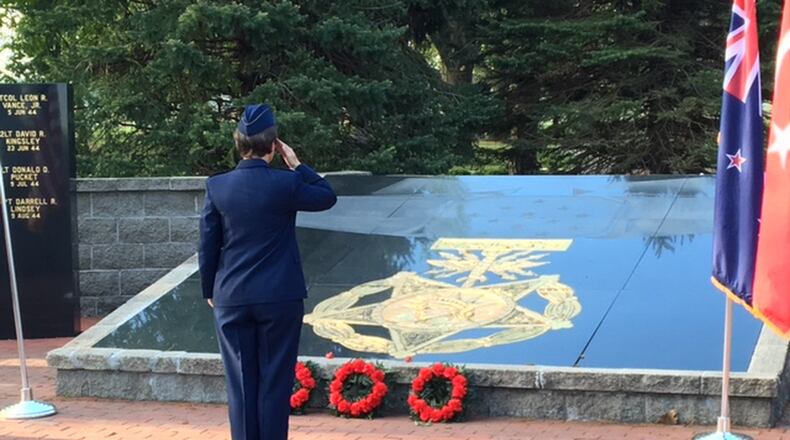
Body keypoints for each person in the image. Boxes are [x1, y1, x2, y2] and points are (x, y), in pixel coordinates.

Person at [198, 103, 337, 440]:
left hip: (232, 296)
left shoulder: (217, 186)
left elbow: (208, 243)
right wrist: (298, 165)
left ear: (238, 143)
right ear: (274, 147)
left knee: (242, 387)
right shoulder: (285, 184)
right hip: (279, 297)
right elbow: (326, 197)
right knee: (274, 384)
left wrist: (209, 290)